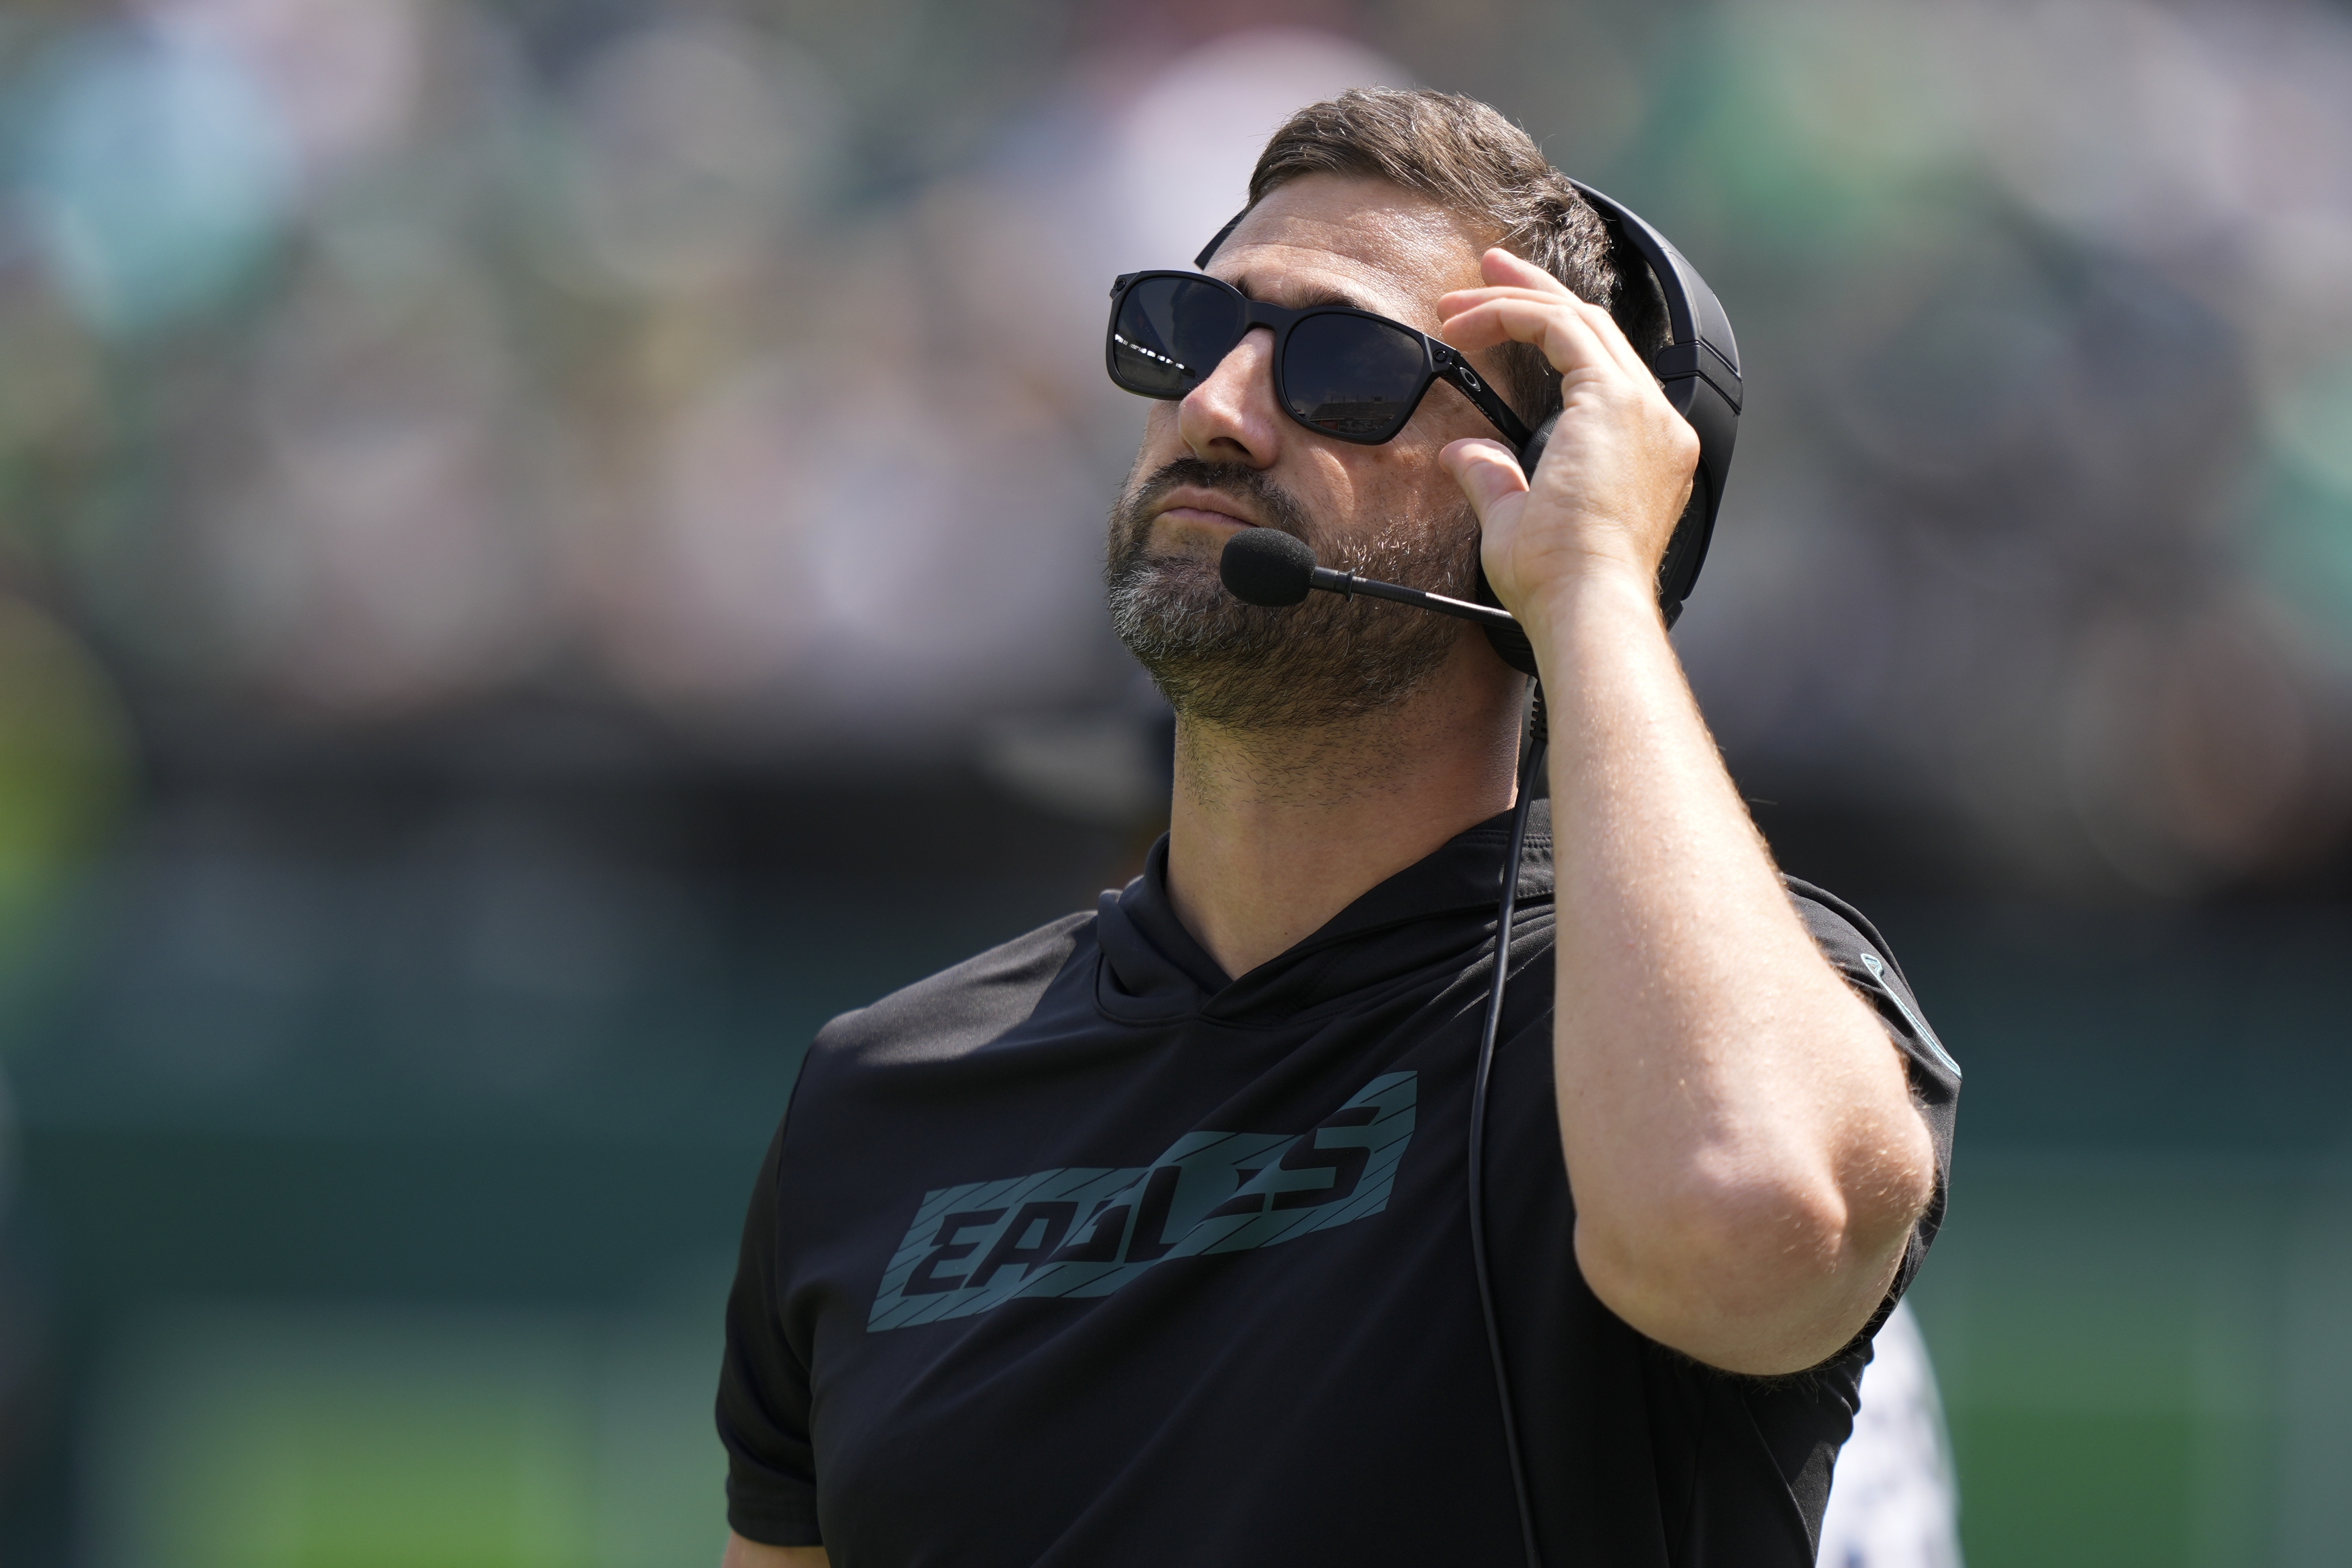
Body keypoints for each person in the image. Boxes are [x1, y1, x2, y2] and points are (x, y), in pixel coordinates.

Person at [715, 87, 1959, 1567]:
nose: (1217, 408)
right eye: (1190, 329)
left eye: (1344, 365)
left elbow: (1743, 1220)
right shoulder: (877, 1095)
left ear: (1566, 475)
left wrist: (1593, 594)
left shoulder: (1716, 1019)